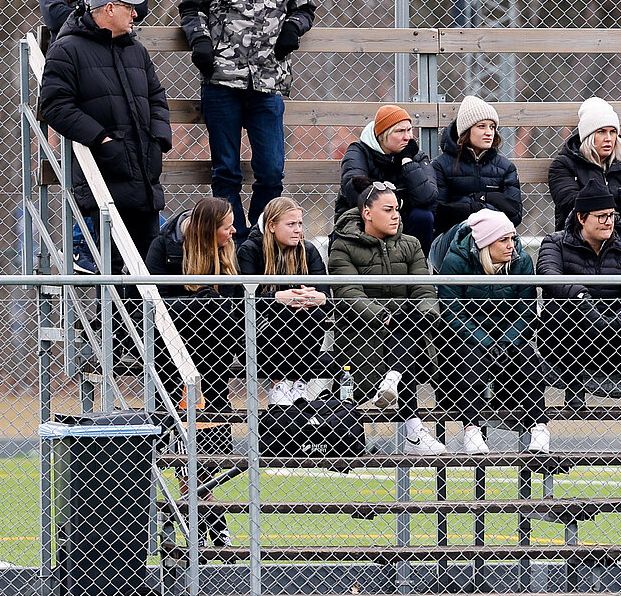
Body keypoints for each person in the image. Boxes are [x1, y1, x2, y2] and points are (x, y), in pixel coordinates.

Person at [179, 0, 317, 236]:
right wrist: (201, 43)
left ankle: (258, 236)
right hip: (222, 79)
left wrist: (293, 29)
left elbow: (304, 9)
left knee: (271, 170)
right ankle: (232, 238)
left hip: (268, 81)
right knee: (226, 170)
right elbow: (191, 6)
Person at [38, 0, 170, 267]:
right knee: (109, 266)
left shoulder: (136, 51)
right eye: (129, 8)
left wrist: (158, 139)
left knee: (148, 265)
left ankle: (139, 314)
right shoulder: (67, 49)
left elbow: (157, 96)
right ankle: (107, 314)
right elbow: (55, 105)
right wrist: (102, 140)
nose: (135, 14)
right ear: (109, 9)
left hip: (145, 175)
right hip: (104, 174)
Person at [536, 187, 621, 454]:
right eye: (601, 216)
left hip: (614, 334)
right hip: (572, 332)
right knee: (557, 314)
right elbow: (548, 274)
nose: (608, 221)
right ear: (581, 218)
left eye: (611, 215)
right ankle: (573, 383)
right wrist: (583, 300)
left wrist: (616, 320)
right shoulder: (556, 242)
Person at [325, 183, 446, 456]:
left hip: (407, 330)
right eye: (388, 210)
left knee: (412, 322)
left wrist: (426, 314)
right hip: (362, 333)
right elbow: (348, 293)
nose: (396, 216)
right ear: (367, 213)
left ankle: (393, 380)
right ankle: (412, 431)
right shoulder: (342, 245)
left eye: (397, 210)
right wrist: (384, 316)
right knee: (404, 324)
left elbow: (424, 290)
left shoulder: (411, 243)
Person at [437, 207, 550, 454]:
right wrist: (485, 340)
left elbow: (527, 311)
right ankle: (471, 430)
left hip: (509, 338)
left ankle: (540, 429)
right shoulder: (455, 261)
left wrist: (508, 339)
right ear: (486, 243)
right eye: (504, 240)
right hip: (469, 340)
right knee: (472, 359)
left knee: (529, 360)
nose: (512, 245)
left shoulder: (521, 261)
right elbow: (452, 312)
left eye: (512, 238)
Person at [145, 197, 245, 411]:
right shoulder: (163, 245)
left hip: (214, 338)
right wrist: (199, 304)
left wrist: (210, 303)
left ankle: (218, 410)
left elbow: (229, 309)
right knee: (207, 310)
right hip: (170, 335)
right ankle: (163, 433)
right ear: (209, 230)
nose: (234, 231)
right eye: (227, 227)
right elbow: (157, 304)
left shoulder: (227, 250)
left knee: (218, 321)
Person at [235, 197, 329, 405]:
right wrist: (277, 298)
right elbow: (242, 303)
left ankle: (300, 384)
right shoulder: (250, 250)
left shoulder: (308, 250)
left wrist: (317, 298)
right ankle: (278, 383)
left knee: (314, 312)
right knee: (284, 311)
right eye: (291, 224)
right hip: (258, 339)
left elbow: (327, 298)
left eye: (300, 224)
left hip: (300, 341)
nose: (298, 230)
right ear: (271, 226)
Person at [547, 97, 621, 241]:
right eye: (601, 132)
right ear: (588, 135)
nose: (608, 138)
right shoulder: (564, 164)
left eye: (613, 132)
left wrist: (611, 204)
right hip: (582, 232)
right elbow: (572, 204)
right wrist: (620, 195)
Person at [337, 105, 439, 251]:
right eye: (400, 131)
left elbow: (428, 197)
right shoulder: (358, 152)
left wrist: (407, 162)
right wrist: (402, 200)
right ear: (383, 135)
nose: (408, 137)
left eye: (409, 130)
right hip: (367, 219)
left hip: (403, 219)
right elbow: (357, 193)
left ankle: (417, 267)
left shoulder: (415, 156)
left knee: (423, 216)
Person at [434, 96, 521, 236]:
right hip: (453, 238)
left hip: (494, 236)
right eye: (481, 126)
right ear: (466, 130)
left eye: (492, 127)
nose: (489, 132)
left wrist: (481, 199)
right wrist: (486, 205)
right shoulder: (441, 165)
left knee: (521, 255)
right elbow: (439, 214)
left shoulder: (506, 167)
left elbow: (515, 215)